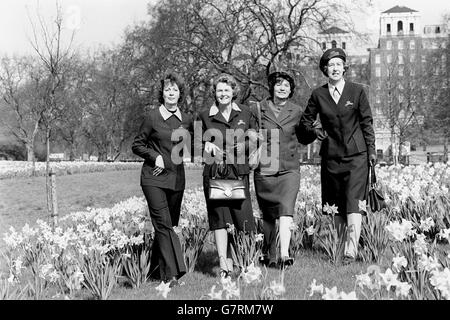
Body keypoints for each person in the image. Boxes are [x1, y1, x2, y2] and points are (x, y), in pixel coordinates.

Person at [299, 48, 377, 264]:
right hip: (331, 156)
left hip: (357, 156)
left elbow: (366, 123)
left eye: (338, 64)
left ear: (344, 68)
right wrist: (315, 131)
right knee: (335, 204)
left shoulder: (357, 91)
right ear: (325, 69)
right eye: (330, 65)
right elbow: (305, 121)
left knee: (353, 202)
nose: (334, 68)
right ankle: (340, 246)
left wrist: (371, 151)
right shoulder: (318, 94)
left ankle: (350, 252)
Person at [132, 72, 193, 287]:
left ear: (180, 94)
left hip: (177, 180)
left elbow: (194, 144)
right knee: (164, 224)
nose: (171, 93)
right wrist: (154, 156)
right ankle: (172, 274)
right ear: (162, 93)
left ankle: (155, 270)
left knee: (167, 226)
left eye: (175, 90)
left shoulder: (186, 119)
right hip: (154, 179)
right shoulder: (152, 117)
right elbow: (137, 145)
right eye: (167, 89)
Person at [252, 70, 316, 269]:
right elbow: (248, 131)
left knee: (286, 209)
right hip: (266, 166)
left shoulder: (297, 111)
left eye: (286, 86)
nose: (282, 88)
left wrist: (314, 131)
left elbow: (305, 136)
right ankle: (270, 254)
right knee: (269, 213)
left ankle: (284, 253)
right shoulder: (257, 108)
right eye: (278, 84)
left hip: (289, 168)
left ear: (290, 91)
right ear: (272, 87)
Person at [198, 73, 257, 278]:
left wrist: (243, 145)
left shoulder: (246, 113)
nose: (223, 93)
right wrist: (205, 144)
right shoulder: (205, 115)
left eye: (227, 90)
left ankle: (247, 264)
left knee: (244, 220)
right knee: (220, 219)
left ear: (234, 92)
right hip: (215, 172)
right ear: (215, 93)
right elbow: (196, 141)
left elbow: (255, 138)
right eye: (219, 90)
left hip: (238, 171)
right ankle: (224, 265)